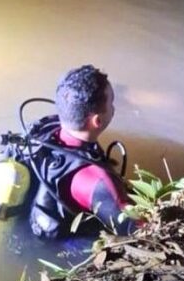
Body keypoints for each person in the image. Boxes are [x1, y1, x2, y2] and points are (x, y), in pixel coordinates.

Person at [26, 64, 137, 238]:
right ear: (97, 121)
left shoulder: (42, 130)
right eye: (111, 103)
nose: (114, 108)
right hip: (63, 244)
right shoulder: (98, 181)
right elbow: (134, 229)